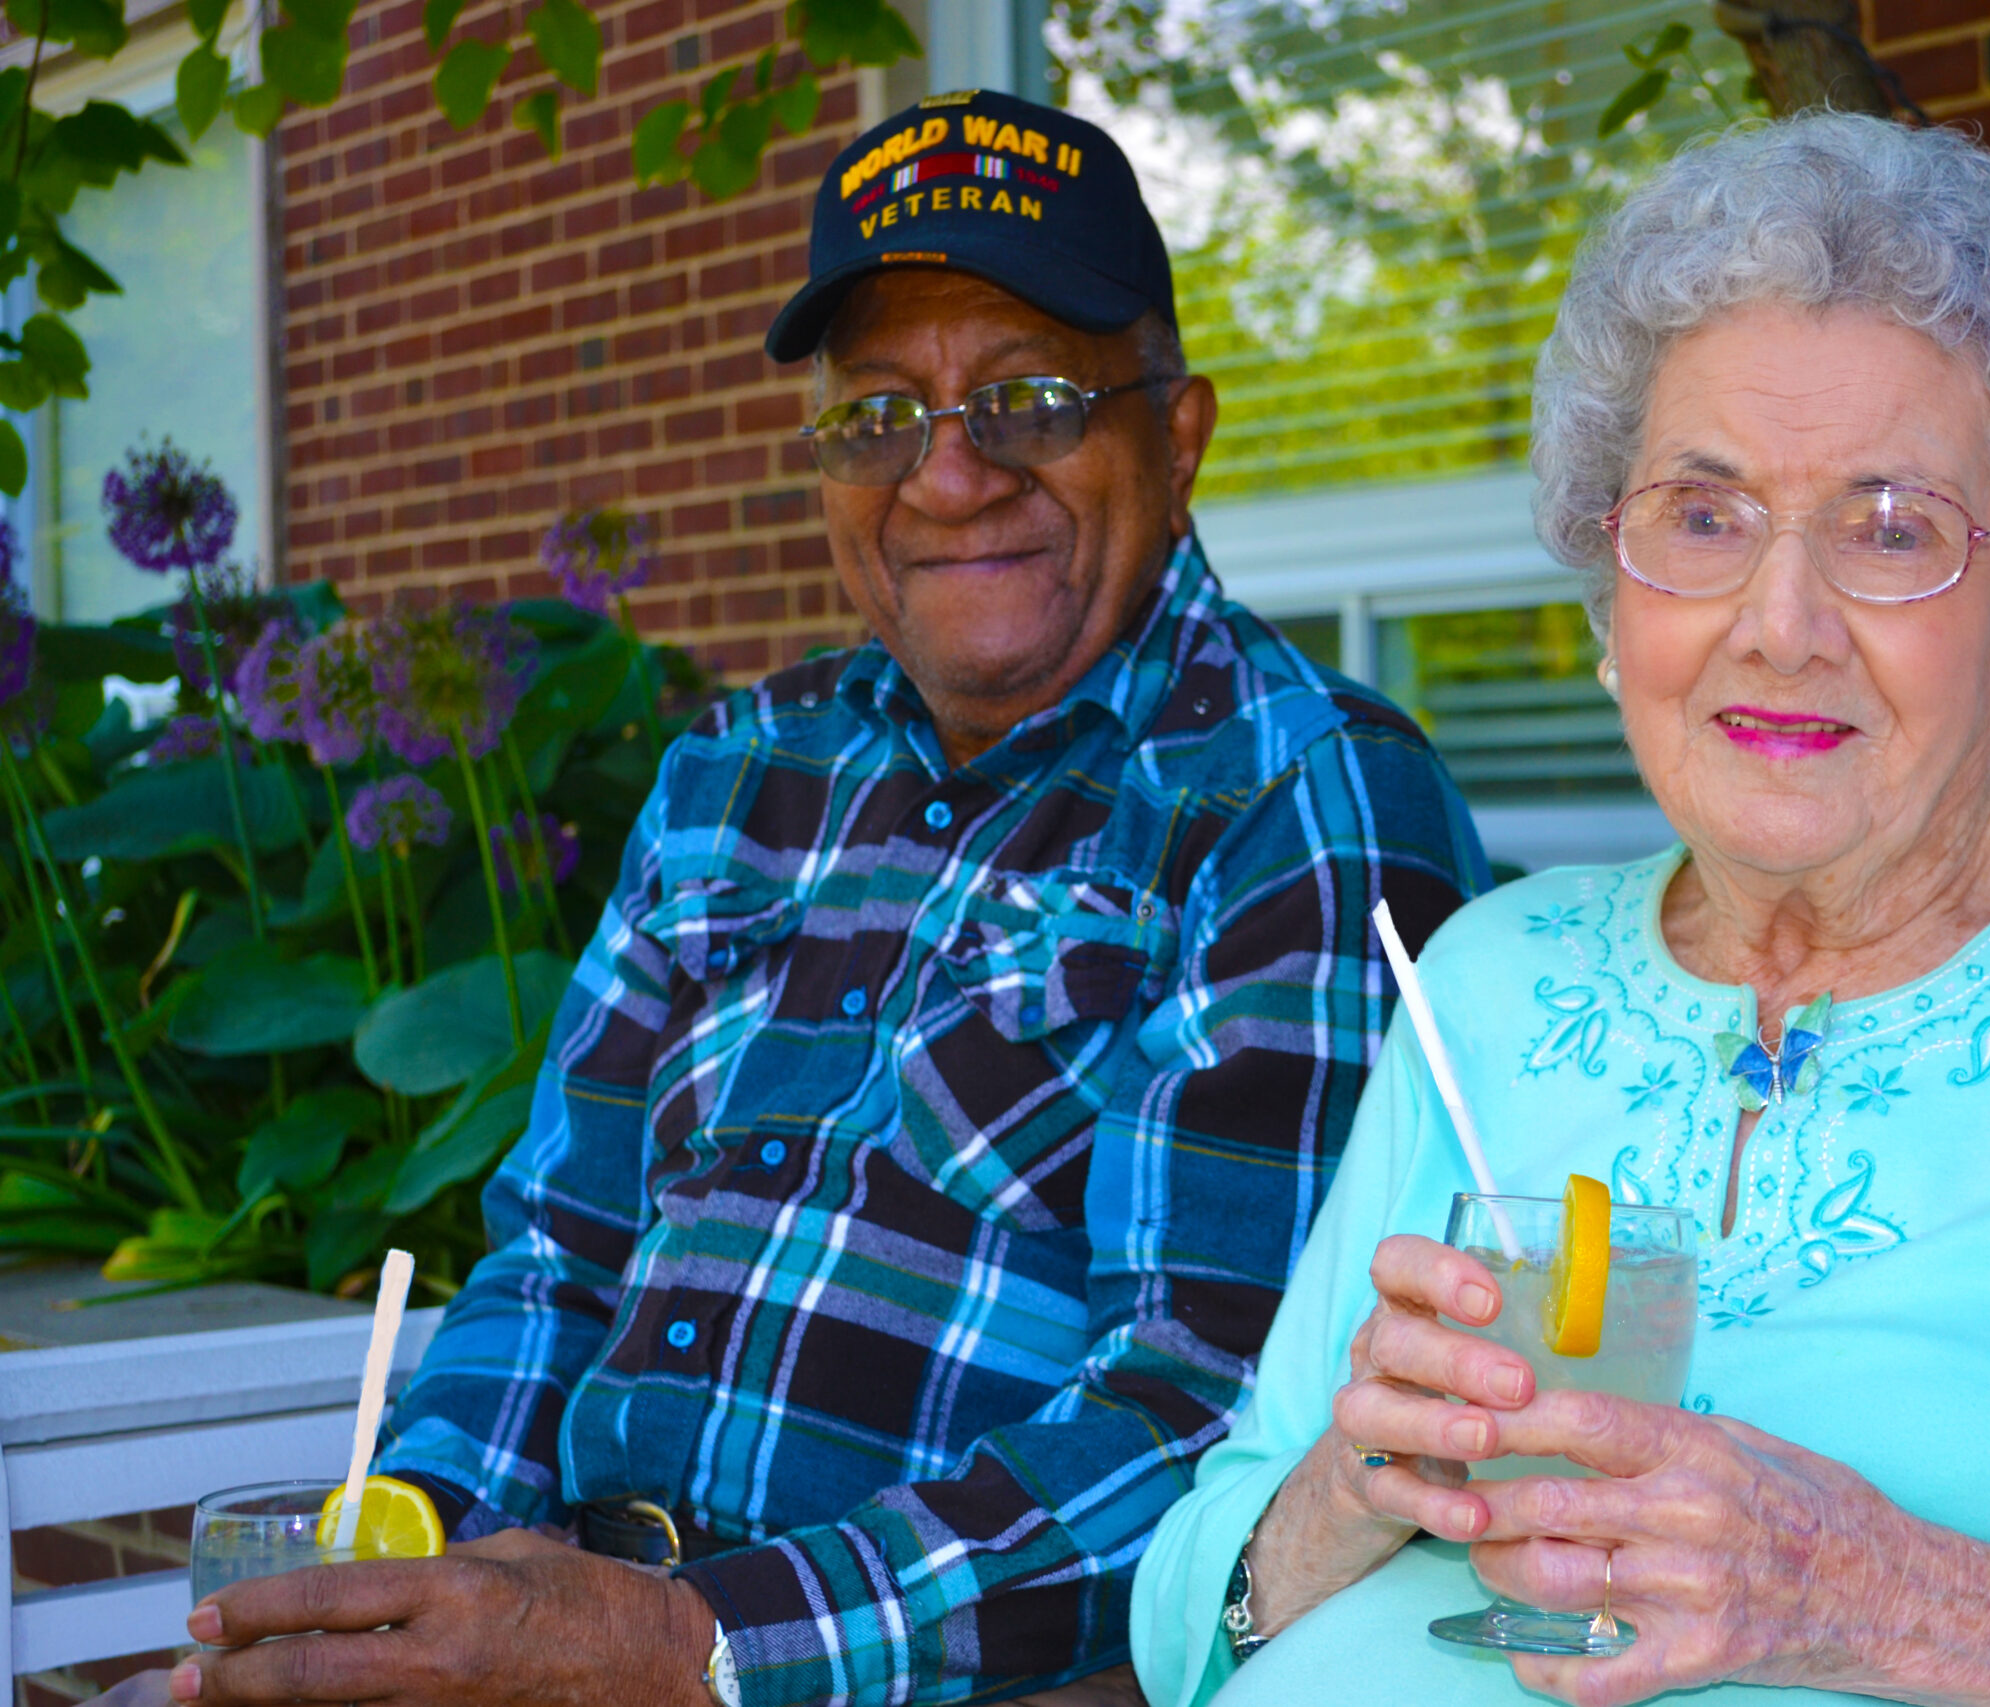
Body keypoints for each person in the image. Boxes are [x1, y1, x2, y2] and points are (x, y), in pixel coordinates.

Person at [1131, 112, 1990, 1707]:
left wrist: (1895, 1603)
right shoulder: (1489, 980)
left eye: (1892, 529)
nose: (1781, 623)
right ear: (1614, 597)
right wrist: (1353, 1485)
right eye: (1702, 516)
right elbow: (1194, 1622)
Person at [168, 89, 1487, 1707]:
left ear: (1181, 429)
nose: (946, 479)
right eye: (877, 418)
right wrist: (415, 1563)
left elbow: (1202, 1427)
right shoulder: (741, 760)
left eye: (1027, 399)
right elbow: (558, 1257)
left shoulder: (1301, 795)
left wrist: (690, 1646)